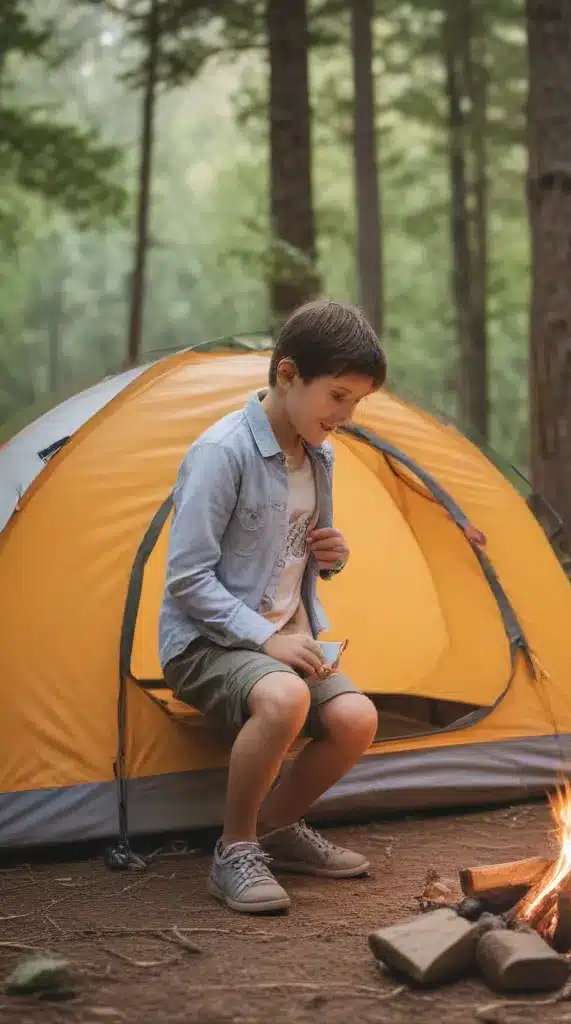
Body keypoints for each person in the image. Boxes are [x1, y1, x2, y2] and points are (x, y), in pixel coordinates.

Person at [158, 299, 386, 914]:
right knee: (284, 696)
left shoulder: (321, 453)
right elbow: (187, 579)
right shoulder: (221, 453)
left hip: (282, 635)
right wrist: (266, 639)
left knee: (356, 719)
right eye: (337, 396)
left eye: (356, 403)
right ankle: (234, 850)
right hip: (207, 642)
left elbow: (299, 553)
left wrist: (332, 556)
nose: (346, 415)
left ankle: (279, 829)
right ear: (287, 374)